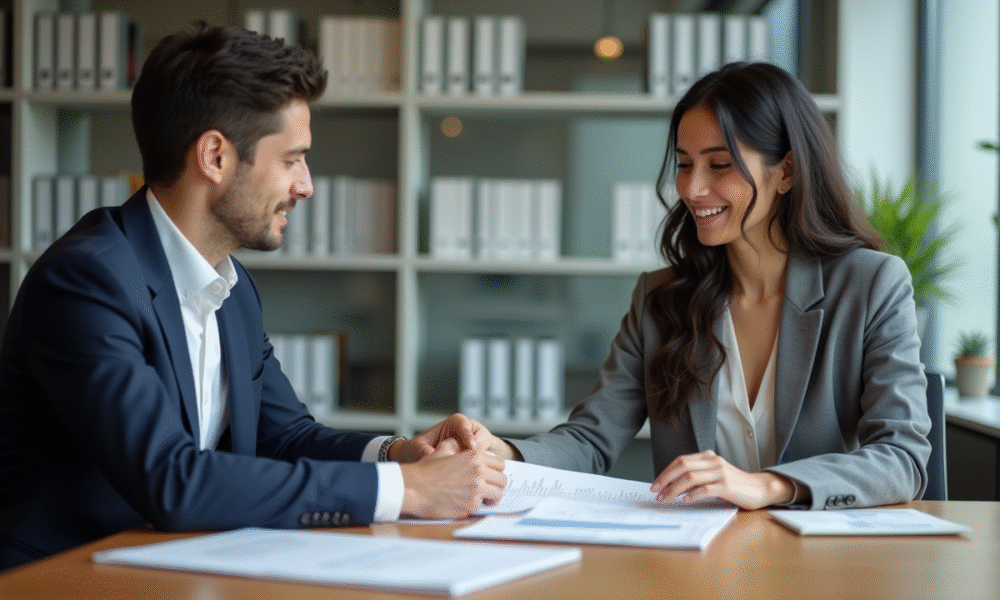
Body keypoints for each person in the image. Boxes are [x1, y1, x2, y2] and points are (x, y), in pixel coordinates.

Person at [0, 23, 505, 570]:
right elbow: (173, 480)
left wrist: (401, 454)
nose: (306, 185)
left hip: (164, 567)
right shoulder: (86, 281)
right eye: (291, 159)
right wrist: (406, 489)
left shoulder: (231, 288)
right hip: (59, 577)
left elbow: (285, 437)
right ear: (215, 156)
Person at [484, 62, 932, 510]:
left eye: (720, 165)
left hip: (816, 563)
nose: (693, 189)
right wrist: (502, 456)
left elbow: (902, 459)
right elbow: (591, 438)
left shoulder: (872, 285)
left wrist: (767, 485)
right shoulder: (660, 299)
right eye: (683, 165)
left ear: (787, 172)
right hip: (696, 563)